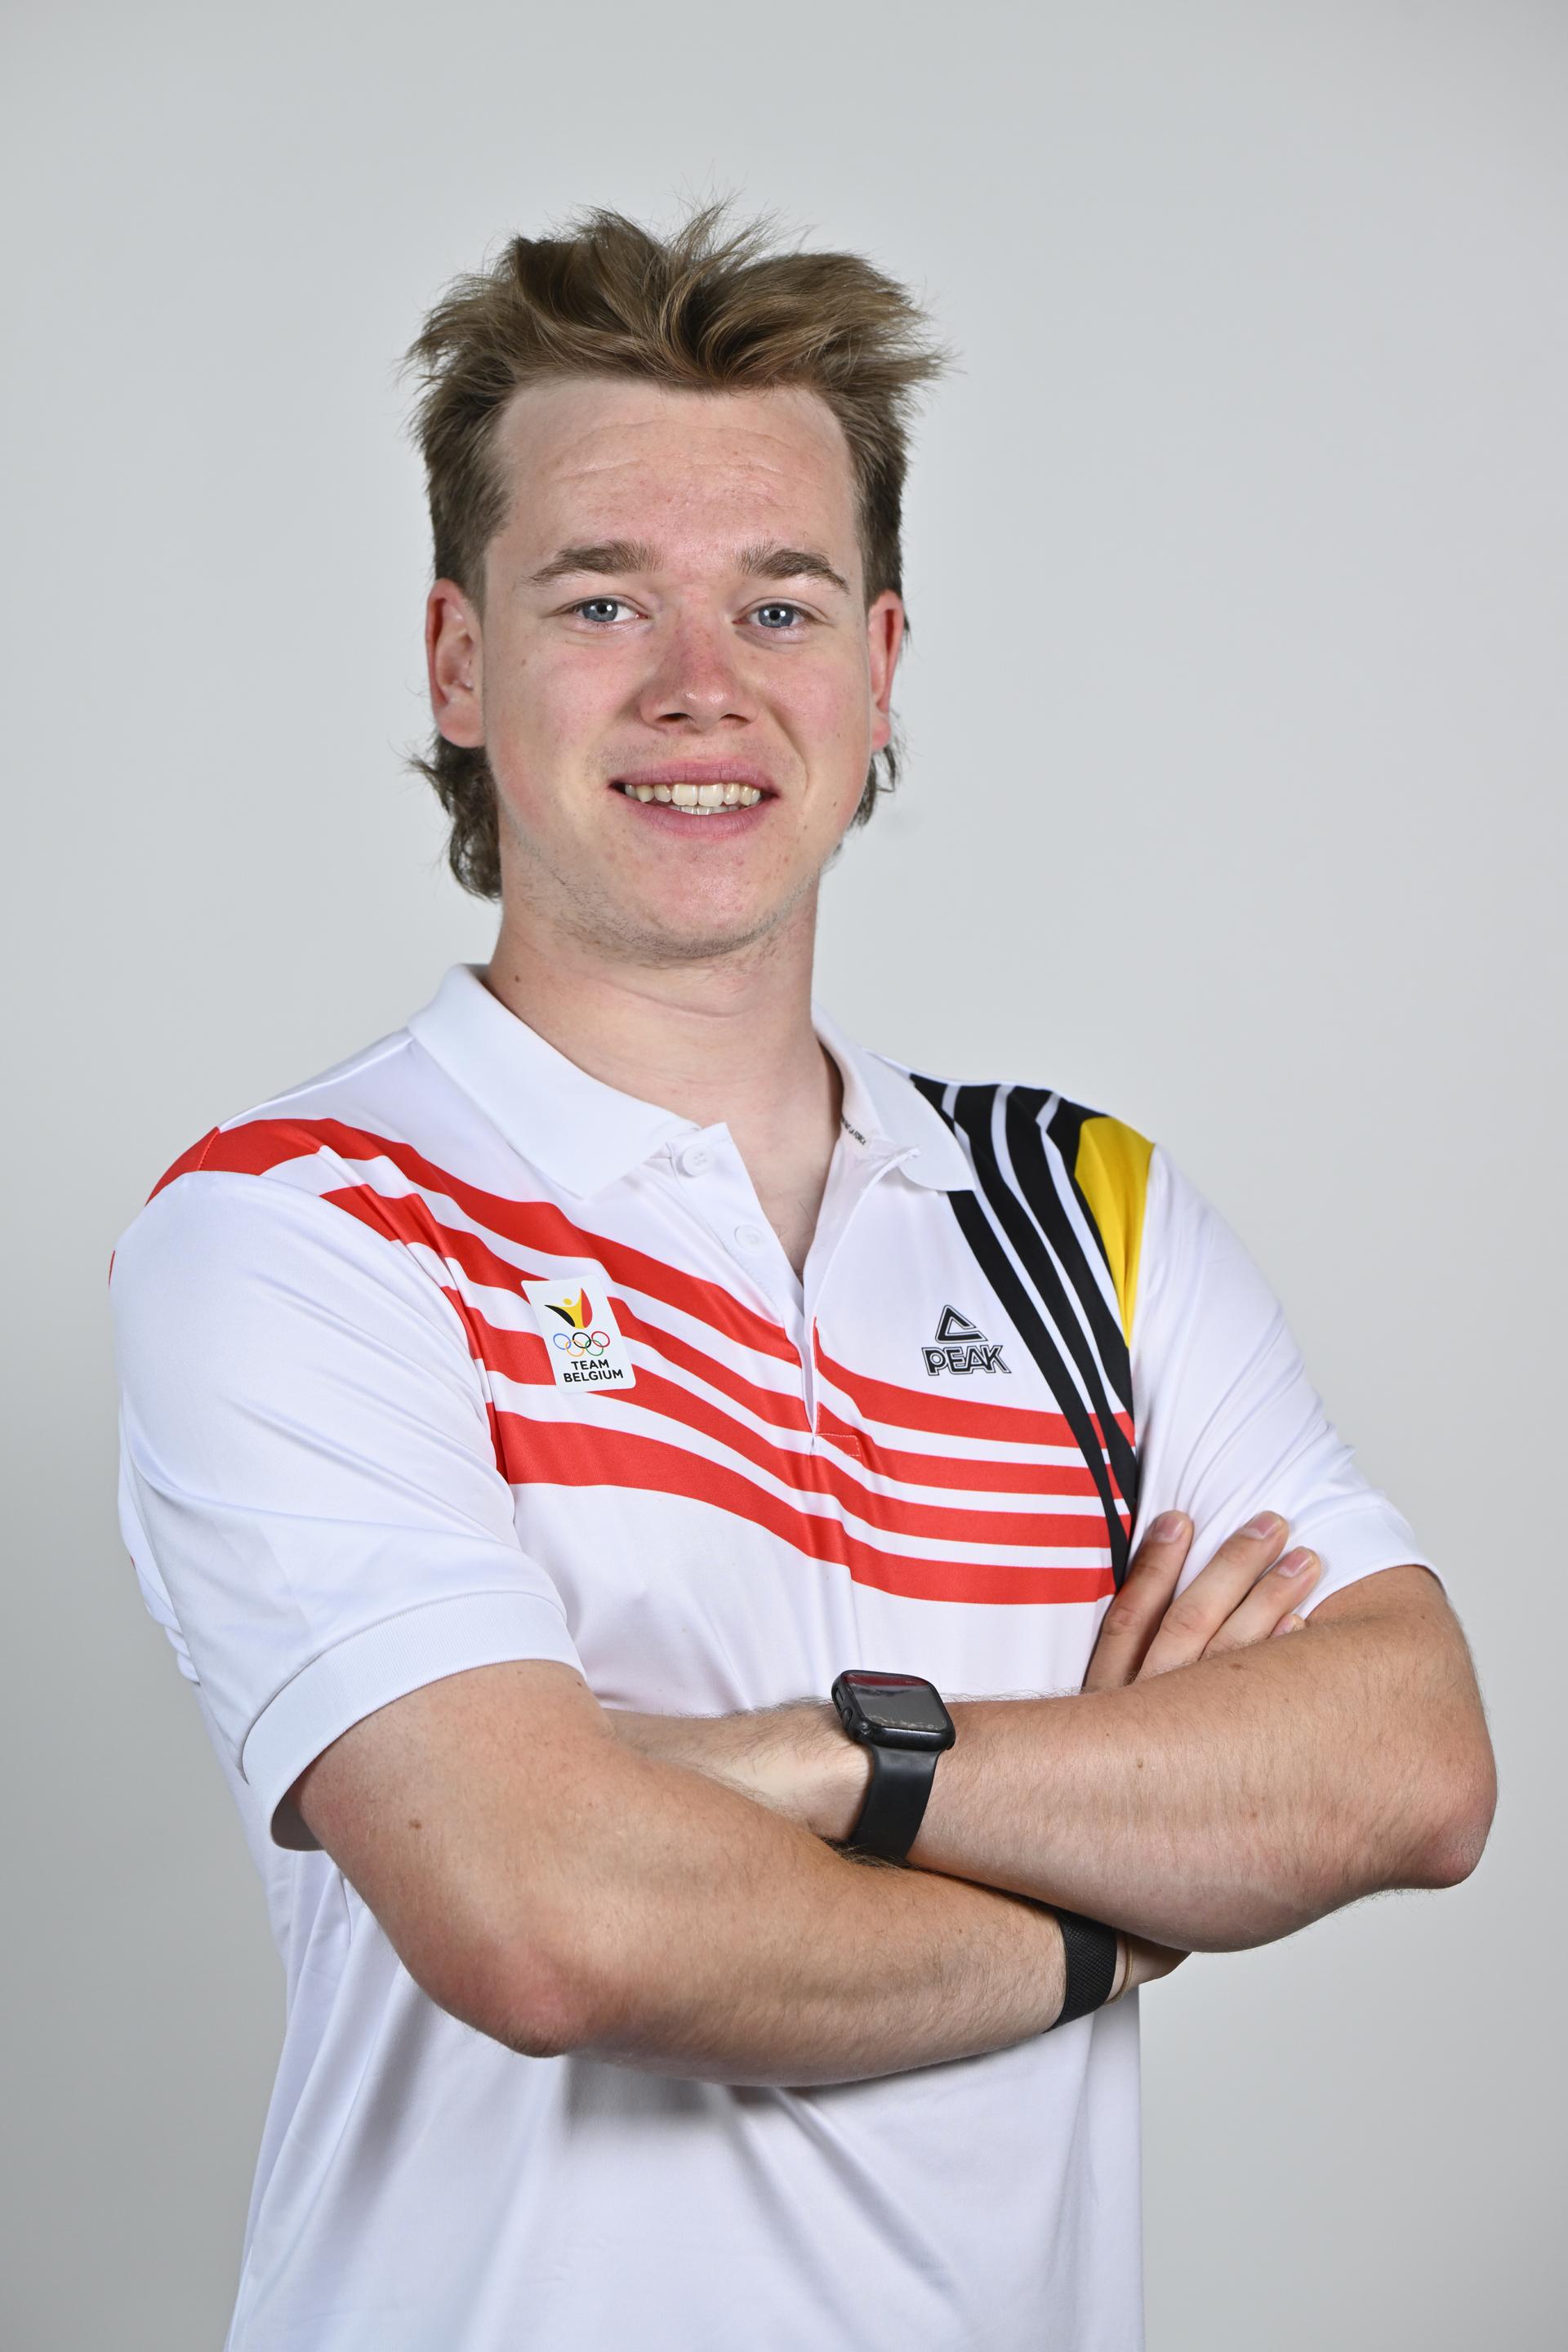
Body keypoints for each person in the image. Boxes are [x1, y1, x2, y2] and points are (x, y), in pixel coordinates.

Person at [109, 202, 1495, 2352]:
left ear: (882, 668)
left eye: (781, 598)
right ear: (459, 661)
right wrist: (1106, 1920)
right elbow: (555, 1923)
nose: (703, 687)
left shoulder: (1084, 1214)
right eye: (601, 599)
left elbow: (1405, 1763)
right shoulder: (302, 1226)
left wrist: (846, 1766)